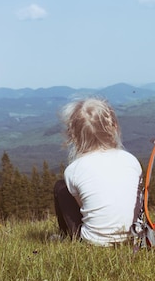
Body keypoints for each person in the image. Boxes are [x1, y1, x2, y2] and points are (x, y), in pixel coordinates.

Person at [53, 97, 143, 246]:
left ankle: (67, 237)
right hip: (134, 237)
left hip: (94, 242)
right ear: (113, 127)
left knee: (61, 188)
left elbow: (82, 207)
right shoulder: (131, 160)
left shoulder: (73, 170)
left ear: (73, 135)